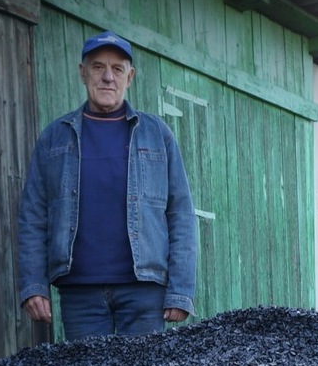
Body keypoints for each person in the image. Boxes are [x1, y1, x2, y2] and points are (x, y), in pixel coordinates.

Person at [16, 31, 198, 338]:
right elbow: (33, 217)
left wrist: (180, 290)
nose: (107, 77)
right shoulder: (55, 138)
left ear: (131, 77)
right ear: (82, 73)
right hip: (79, 293)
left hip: (144, 292)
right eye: (98, 67)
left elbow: (180, 213)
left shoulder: (157, 135)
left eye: (117, 69)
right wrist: (34, 285)